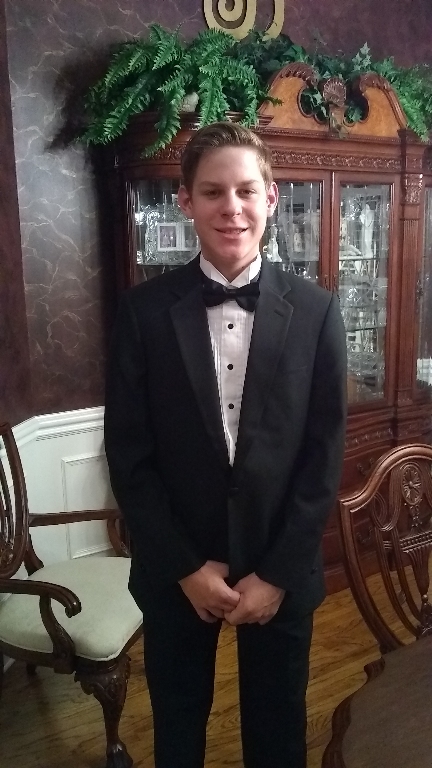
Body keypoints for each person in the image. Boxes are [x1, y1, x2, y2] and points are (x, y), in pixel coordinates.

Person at [104, 122, 347, 768]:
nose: (231, 208)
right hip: (177, 570)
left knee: (279, 732)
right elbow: (130, 457)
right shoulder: (142, 312)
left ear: (272, 197)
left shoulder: (319, 311)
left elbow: (322, 457)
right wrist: (185, 567)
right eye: (212, 192)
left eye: (246, 191)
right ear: (185, 201)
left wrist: (277, 573)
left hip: (279, 566)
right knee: (178, 728)